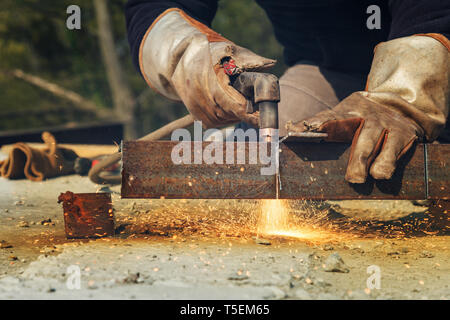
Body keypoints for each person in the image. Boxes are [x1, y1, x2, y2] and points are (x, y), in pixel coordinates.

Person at [125, 0, 449, 183]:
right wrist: (189, 56)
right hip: (331, 70)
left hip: (432, 52)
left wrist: (404, 92)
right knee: (251, 171)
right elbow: (153, 5)